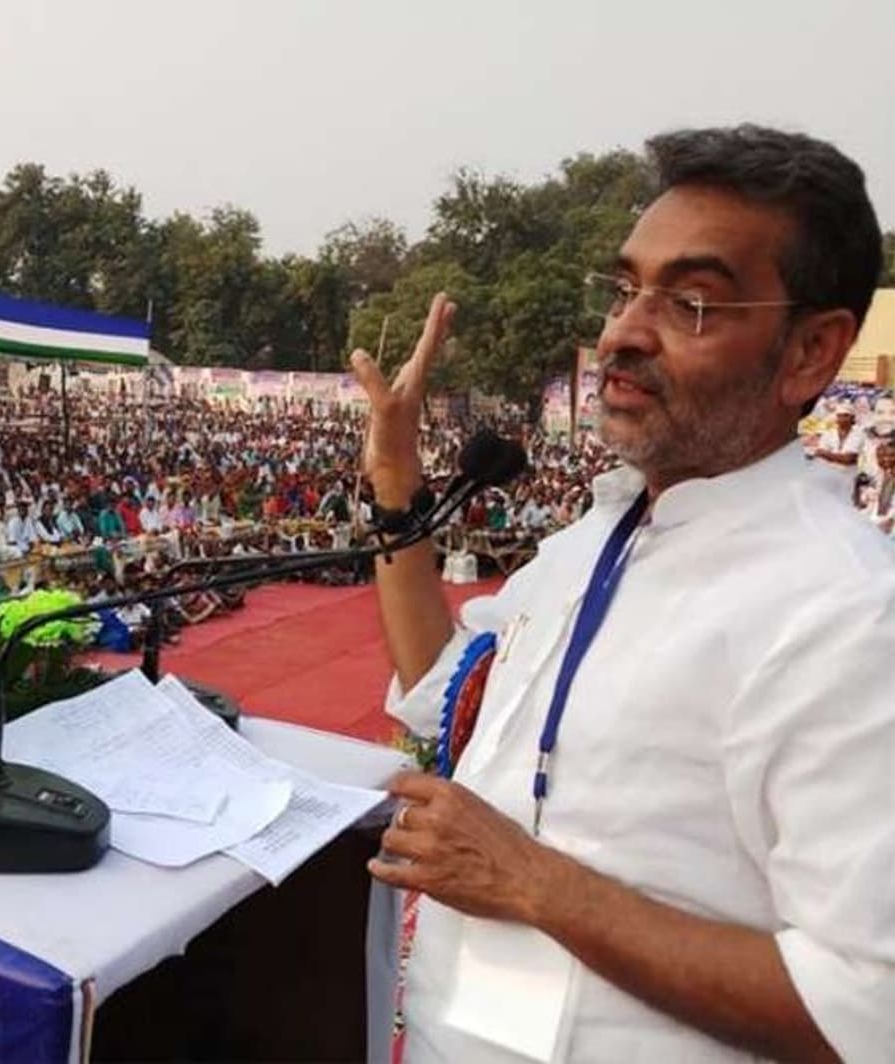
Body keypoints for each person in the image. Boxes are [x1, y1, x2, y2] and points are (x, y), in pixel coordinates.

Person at [356, 126, 894, 1062]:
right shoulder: (597, 539)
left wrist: (534, 884)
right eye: (623, 290)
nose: (622, 335)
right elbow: (448, 689)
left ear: (811, 352)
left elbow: (867, 1009)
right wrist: (395, 484)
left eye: (690, 303)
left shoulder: (846, 615)